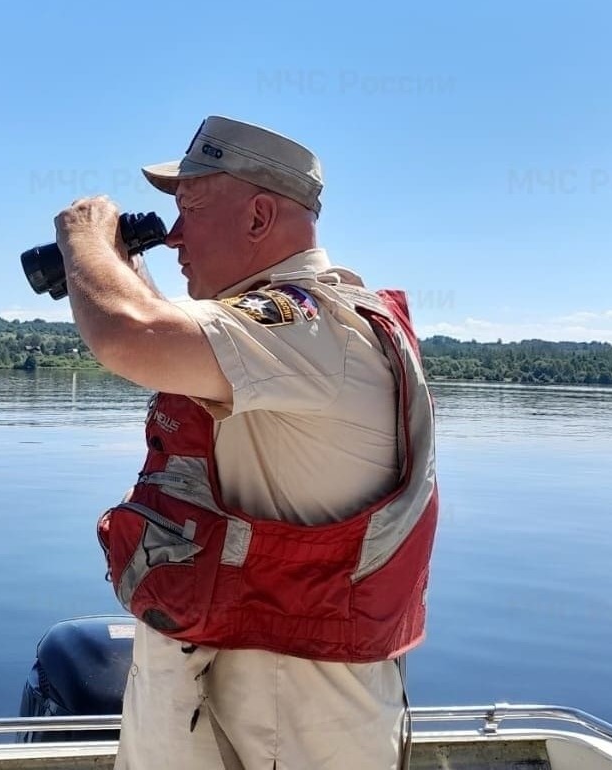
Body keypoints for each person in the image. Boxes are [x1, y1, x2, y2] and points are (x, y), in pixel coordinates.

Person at [53, 115, 439, 770]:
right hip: (239, 700)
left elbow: (130, 335)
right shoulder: (279, 339)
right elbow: (166, 346)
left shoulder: (316, 327)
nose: (173, 234)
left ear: (259, 218)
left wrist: (83, 240)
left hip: (291, 725)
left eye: (191, 210)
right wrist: (124, 267)